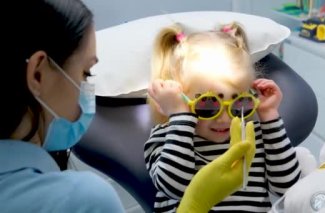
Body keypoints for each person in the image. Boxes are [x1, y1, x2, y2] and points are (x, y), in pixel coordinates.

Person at [1, 1, 251, 212]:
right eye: (86, 72)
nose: (224, 117)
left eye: (239, 100)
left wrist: (270, 120)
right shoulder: (85, 200)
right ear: (38, 75)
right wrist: (195, 203)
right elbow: (172, 183)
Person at [145, 22, 302, 212]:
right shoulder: (167, 138)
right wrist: (179, 117)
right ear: (177, 101)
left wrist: (269, 116)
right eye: (209, 104)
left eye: (239, 104)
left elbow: (287, 187)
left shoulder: (252, 136)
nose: (225, 119)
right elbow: (174, 188)